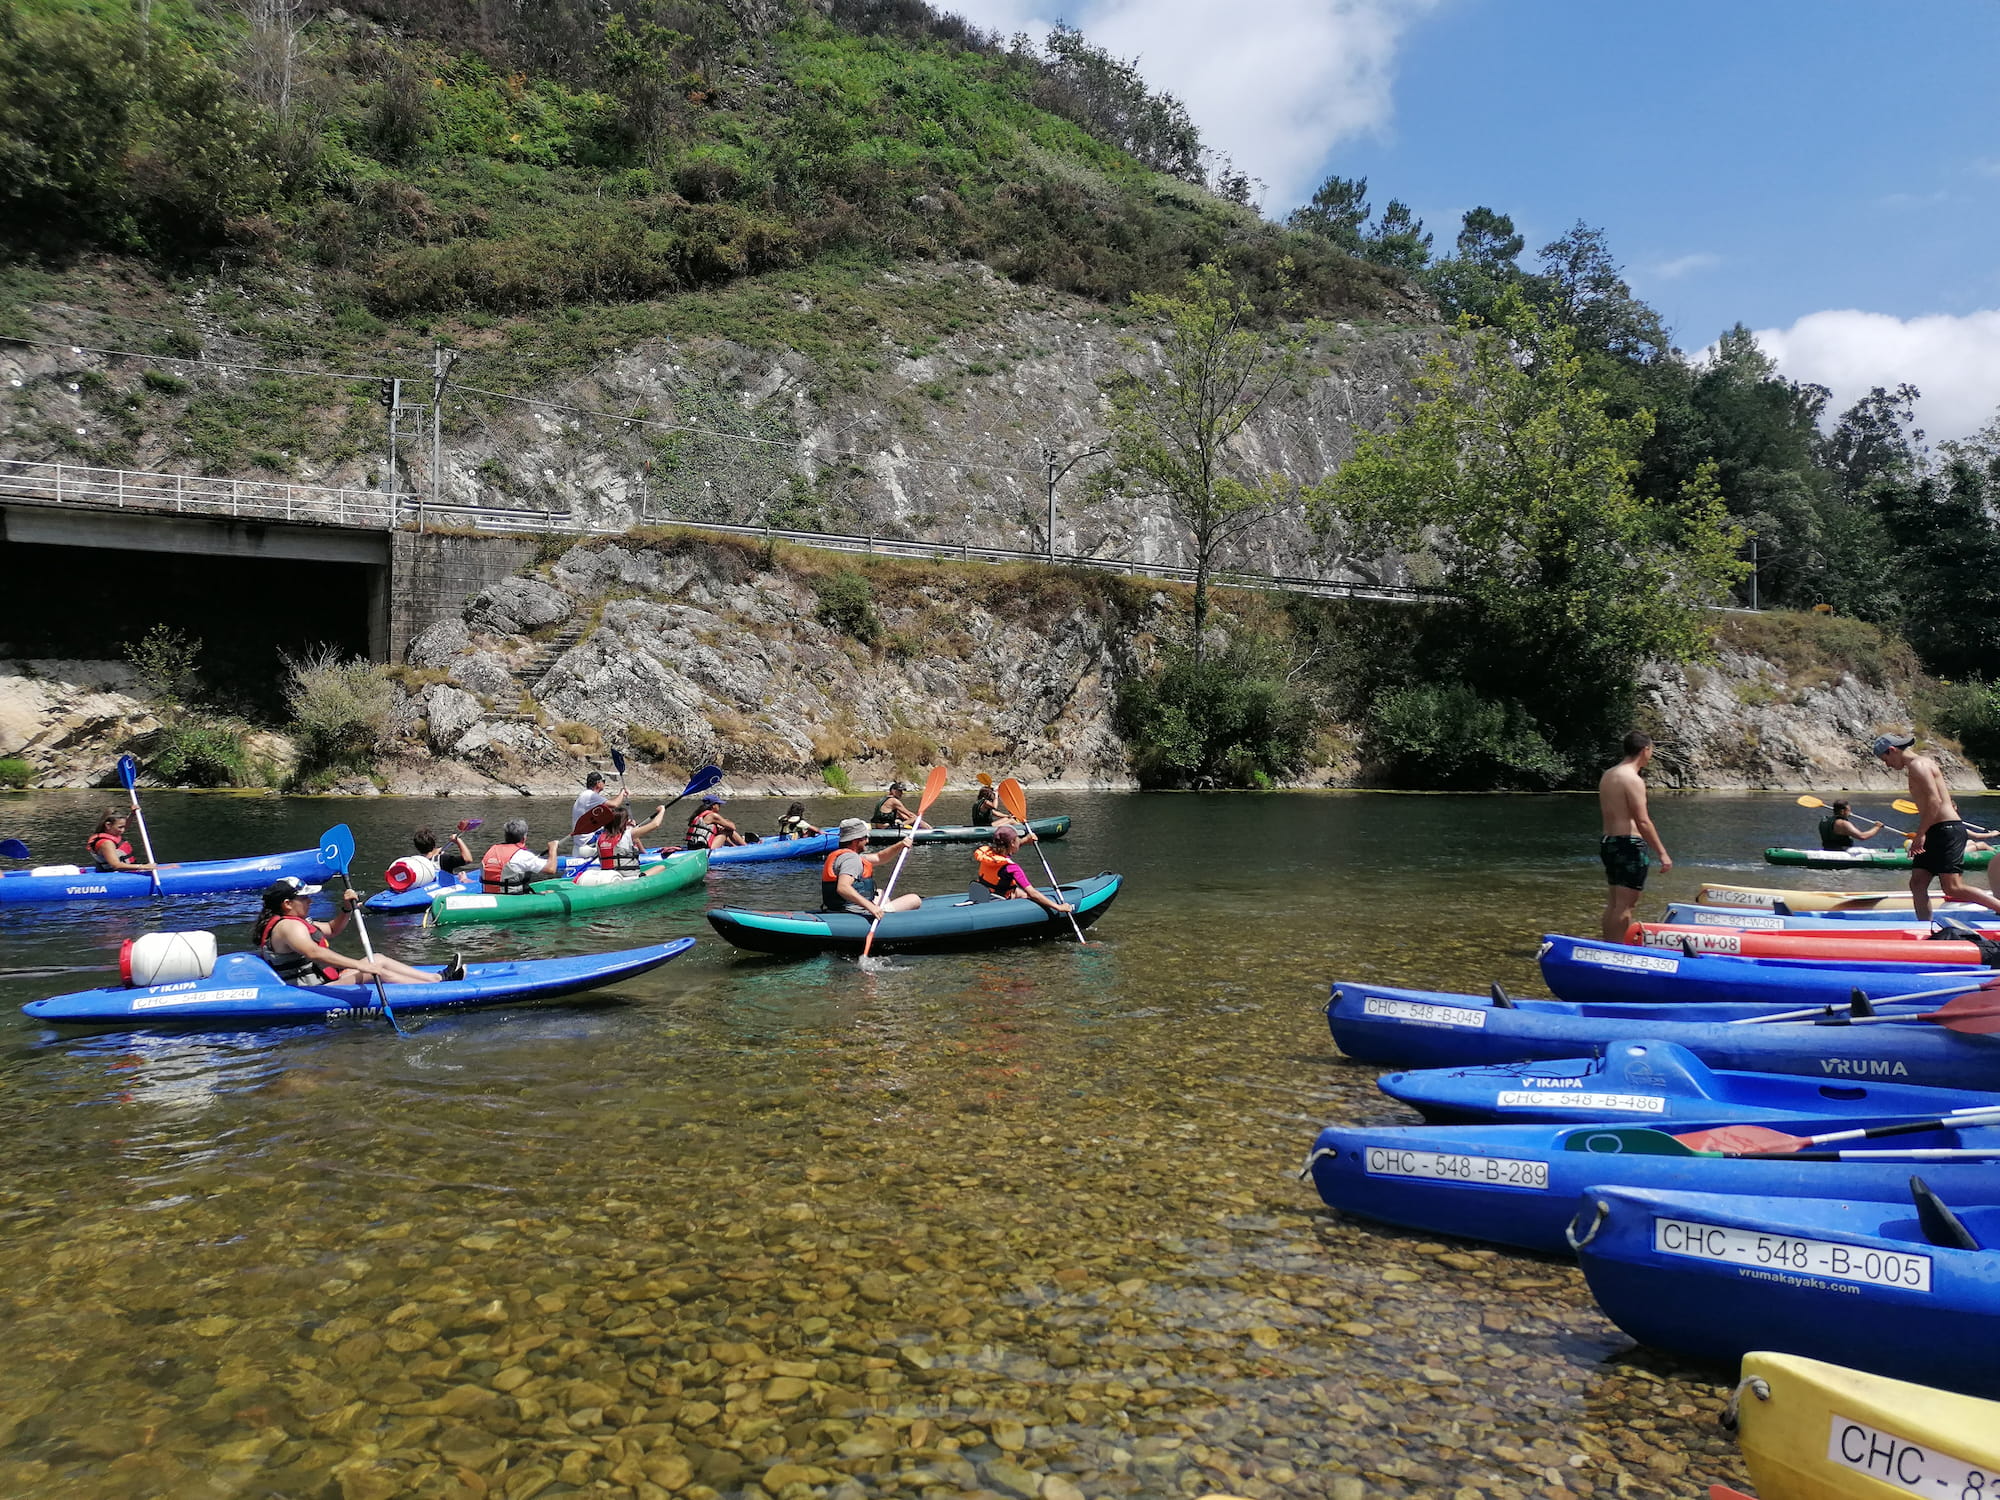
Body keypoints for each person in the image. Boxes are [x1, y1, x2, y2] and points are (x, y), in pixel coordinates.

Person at [1872, 734, 2000, 920]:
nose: (1887, 765)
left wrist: (1920, 834)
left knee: (1953, 887)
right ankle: (1925, 927)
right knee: (1917, 883)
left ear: (1892, 751)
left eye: (1886, 760)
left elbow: (1934, 801)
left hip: (1946, 830)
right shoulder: (1916, 766)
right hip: (1935, 830)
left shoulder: (1919, 765)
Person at [254, 877, 454, 986]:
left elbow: (332, 929)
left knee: (377, 958)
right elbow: (314, 952)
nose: (310, 901)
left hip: (321, 979)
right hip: (310, 990)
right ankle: (436, 988)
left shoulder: (295, 921)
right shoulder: (289, 927)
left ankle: (434, 978)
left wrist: (346, 909)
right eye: (305, 898)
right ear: (287, 904)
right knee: (377, 972)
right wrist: (359, 966)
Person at [1598, 731, 1671, 943]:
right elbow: (1643, 821)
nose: (1651, 755)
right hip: (1629, 844)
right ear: (1644, 750)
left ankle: (1608, 945)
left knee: (1614, 903)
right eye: (1651, 751)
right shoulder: (1632, 779)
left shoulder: (1609, 775)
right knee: (1626, 905)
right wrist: (1662, 853)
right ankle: (1618, 949)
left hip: (1609, 842)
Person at [822, 818, 922, 918]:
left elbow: (879, 857)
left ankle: (885, 914)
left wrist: (900, 845)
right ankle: (884, 915)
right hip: (853, 912)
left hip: (837, 907)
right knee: (914, 899)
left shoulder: (844, 856)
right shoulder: (852, 860)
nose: (868, 840)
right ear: (855, 841)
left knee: (880, 893)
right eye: (865, 837)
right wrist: (871, 907)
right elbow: (843, 888)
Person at [972, 826, 1073, 914]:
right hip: (996, 901)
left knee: (1018, 892)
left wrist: (1026, 840)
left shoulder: (989, 853)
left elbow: (1010, 847)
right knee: (1027, 895)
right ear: (1012, 843)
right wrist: (1058, 907)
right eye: (1017, 838)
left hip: (982, 894)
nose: (1019, 840)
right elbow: (1032, 893)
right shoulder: (1011, 868)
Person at [481, 819, 563, 894]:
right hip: (512, 898)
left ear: (506, 836)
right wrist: (553, 848)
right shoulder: (522, 855)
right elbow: (551, 869)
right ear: (524, 838)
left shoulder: (492, 850)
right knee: (550, 892)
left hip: (489, 895)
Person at [569, 771, 629, 856]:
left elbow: (608, 814)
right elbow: (614, 804)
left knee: (617, 826)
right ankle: (636, 854)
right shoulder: (591, 796)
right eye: (603, 781)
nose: (604, 784)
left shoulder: (585, 795)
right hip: (588, 839)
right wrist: (622, 793)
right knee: (627, 830)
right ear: (598, 783)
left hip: (581, 838)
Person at [594, 804, 667, 872]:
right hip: (629, 877)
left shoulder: (600, 838)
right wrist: (662, 810)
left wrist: (625, 824)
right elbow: (655, 824)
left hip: (610, 876)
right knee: (661, 867)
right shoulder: (629, 834)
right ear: (624, 822)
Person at [86, 809, 155, 874]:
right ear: (108, 825)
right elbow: (116, 865)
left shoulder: (112, 833)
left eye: (124, 827)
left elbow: (124, 825)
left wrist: (132, 815)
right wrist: (142, 867)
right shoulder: (106, 843)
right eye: (120, 827)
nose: (123, 830)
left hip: (123, 872)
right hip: (113, 875)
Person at [1816, 800, 1889, 852]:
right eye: (1849, 811)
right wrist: (1877, 827)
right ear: (1842, 811)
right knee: (1875, 852)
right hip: (1843, 851)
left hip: (1827, 849)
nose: (1850, 813)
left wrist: (1845, 816)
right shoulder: (1843, 823)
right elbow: (1862, 836)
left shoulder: (1824, 820)